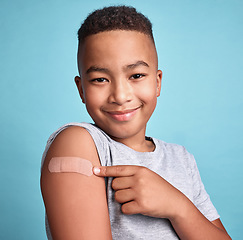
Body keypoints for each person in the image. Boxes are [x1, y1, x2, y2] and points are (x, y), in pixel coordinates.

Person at [40, 5, 231, 240]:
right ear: (81, 89)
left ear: (158, 82)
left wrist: (178, 207)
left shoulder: (182, 159)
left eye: (136, 76)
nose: (120, 96)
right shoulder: (77, 144)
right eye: (100, 79)